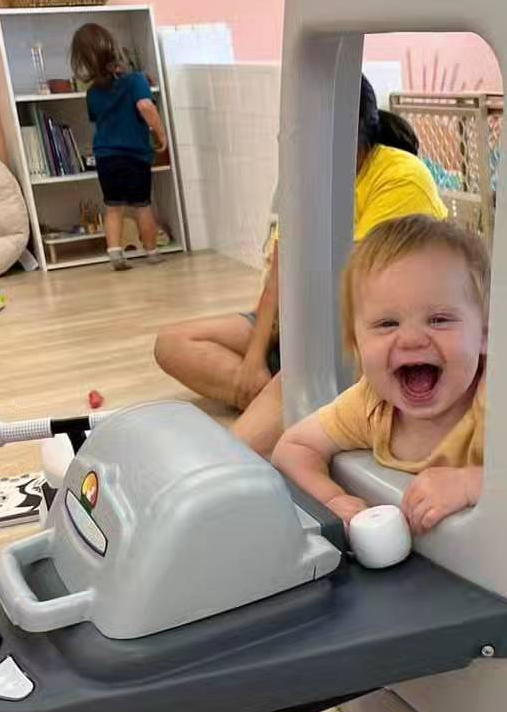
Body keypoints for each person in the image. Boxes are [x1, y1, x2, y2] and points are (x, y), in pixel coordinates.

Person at [154, 75, 448, 454]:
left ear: (354, 131)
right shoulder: (305, 176)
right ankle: (296, 401)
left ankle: (286, 406)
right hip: (302, 329)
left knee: (283, 395)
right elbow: (283, 266)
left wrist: (294, 359)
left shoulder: (401, 175)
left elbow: (351, 288)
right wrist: (255, 357)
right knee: (172, 344)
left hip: (357, 331)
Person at [273, 215, 488, 535]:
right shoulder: (371, 405)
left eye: (439, 319)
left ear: (486, 334)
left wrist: (471, 483)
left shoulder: (495, 404)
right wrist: (332, 500)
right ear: (355, 344)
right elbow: (292, 449)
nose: (412, 339)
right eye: (388, 324)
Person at [70, 24, 167, 270]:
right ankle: (152, 252)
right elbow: (145, 106)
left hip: (106, 157)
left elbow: (97, 118)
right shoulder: (136, 81)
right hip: (135, 155)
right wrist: (160, 133)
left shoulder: (92, 93)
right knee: (142, 206)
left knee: (113, 207)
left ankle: (115, 254)